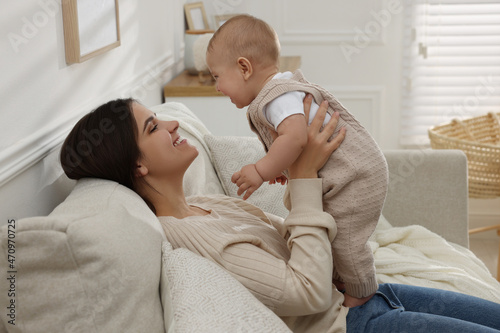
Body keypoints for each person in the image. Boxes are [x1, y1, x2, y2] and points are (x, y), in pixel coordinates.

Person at [60, 97, 500, 333]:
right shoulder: (187, 235)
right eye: (153, 127)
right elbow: (305, 291)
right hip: (355, 323)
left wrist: (298, 174)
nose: (172, 126)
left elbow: (292, 241)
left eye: (160, 118)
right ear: (138, 166)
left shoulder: (208, 206)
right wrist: (304, 175)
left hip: (367, 296)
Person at [205, 14, 388, 303]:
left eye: (217, 76)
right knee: (331, 232)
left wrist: (260, 170)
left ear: (243, 67)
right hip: (349, 175)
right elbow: (291, 143)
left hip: (355, 176)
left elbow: (295, 137)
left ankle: (361, 294)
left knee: (346, 241)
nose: (216, 86)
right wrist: (284, 166)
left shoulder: (276, 98)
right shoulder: (280, 91)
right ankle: (339, 280)